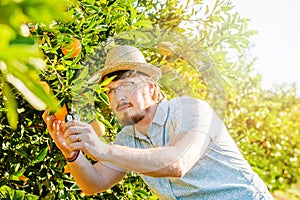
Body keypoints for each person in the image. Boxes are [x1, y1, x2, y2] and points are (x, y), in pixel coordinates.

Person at [43, 45, 274, 199]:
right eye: (112, 91)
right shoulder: (128, 139)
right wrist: (72, 154)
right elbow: (93, 184)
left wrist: (103, 149)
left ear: (152, 89)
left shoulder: (190, 110)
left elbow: (177, 163)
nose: (120, 96)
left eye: (128, 85)